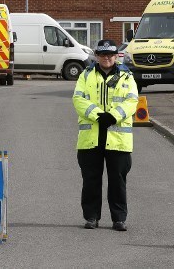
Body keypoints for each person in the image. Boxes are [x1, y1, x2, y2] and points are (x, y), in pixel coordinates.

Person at [72, 39, 138, 231]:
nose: (106, 58)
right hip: (91, 138)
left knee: (118, 181)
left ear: (116, 56)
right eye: (102, 54)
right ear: (97, 56)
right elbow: (78, 99)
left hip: (117, 139)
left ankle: (119, 219)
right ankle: (91, 217)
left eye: (110, 54)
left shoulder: (127, 76)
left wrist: (113, 116)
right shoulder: (86, 75)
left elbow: (132, 100)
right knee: (91, 180)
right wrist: (97, 115)